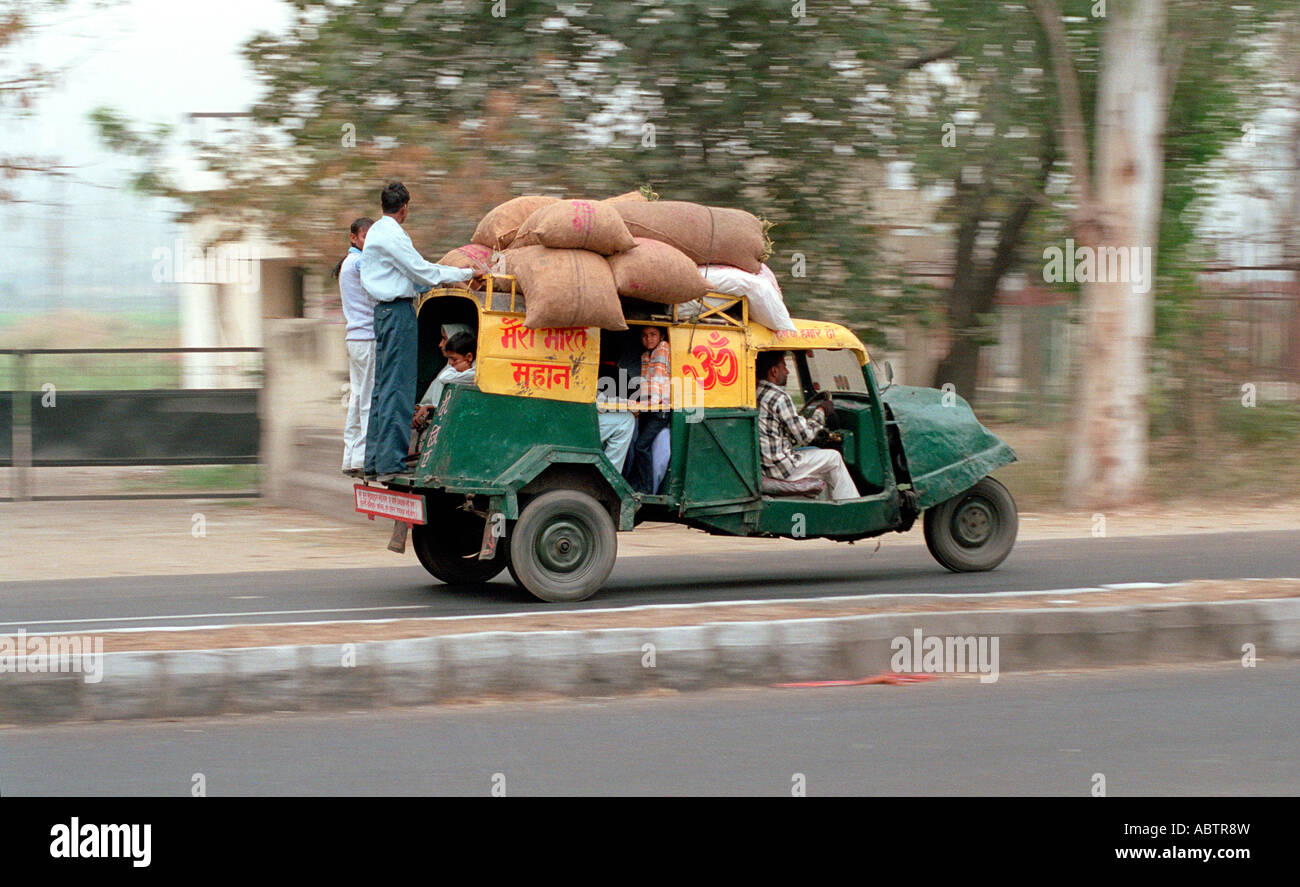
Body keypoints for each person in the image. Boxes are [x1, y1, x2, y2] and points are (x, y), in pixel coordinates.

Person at [361, 182, 478, 481]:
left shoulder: (375, 231)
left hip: (384, 313)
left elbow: (416, 276)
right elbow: (423, 271)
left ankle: (376, 460)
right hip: (397, 313)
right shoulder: (394, 235)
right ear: (404, 208)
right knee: (398, 388)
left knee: (383, 388)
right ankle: (390, 463)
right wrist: (465, 274)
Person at [755, 350, 859, 501]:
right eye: (784, 366)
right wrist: (821, 411)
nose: (788, 371)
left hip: (768, 465)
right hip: (782, 469)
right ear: (774, 371)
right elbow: (806, 436)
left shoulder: (758, 393)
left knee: (816, 452)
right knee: (834, 458)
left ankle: (830, 509)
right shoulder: (779, 397)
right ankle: (852, 508)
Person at [336, 217, 375, 477]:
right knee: (368, 399)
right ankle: (363, 457)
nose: (369, 241)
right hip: (368, 338)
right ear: (354, 238)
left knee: (358, 397)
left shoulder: (348, 264)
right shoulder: (360, 263)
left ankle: (351, 456)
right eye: (365, 236)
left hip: (355, 339)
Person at [623, 326, 671, 493]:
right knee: (638, 445)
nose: (648, 339)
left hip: (660, 410)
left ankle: (647, 488)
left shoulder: (663, 348)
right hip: (650, 408)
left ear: (661, 336)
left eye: (653, 335)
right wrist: (639, 401)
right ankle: (637, 484)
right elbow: (645, 383)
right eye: (644, 335)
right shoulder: (646, 355)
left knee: (641, 447)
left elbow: (658, 379)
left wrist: (646, 403)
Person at [414, 329, 476, 429]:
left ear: (469, 357)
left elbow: (444, 377)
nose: (451, 363)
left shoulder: (474, 372)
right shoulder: (459, 369)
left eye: (454, 359)